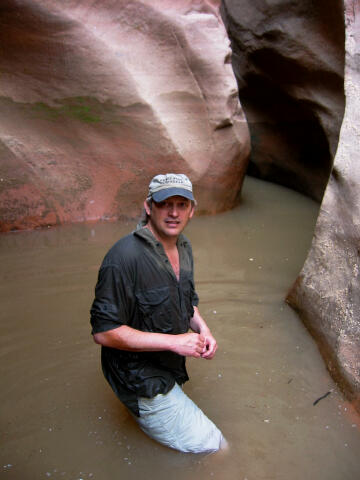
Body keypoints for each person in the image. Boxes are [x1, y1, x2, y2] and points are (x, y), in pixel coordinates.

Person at [90, 173, 226, 453]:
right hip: (138, 375)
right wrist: (175, 342)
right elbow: (104, 332)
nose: (174, 213)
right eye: (165, 204)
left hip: (167, 365)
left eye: (182, 204)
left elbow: (186, 301)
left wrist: (203, 328)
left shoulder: (184, 247)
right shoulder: (123, 258)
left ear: (192, 209)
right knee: (213, 447)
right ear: (149, 207)